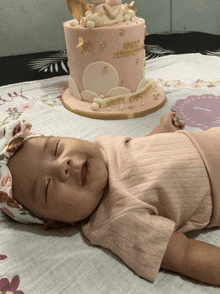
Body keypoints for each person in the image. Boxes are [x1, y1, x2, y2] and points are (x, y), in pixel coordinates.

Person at [1, 113, 220, 286]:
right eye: (47, 187)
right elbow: (184, 254)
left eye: (56, 148)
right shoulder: (117, 218)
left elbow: (141, 147)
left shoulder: (103, 148)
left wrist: (165, 129)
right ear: (57, 222)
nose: (62, 165)